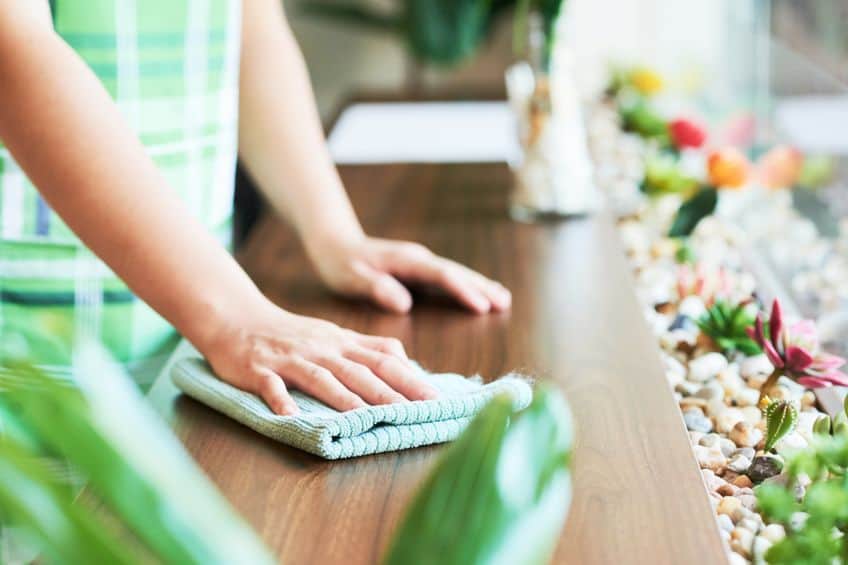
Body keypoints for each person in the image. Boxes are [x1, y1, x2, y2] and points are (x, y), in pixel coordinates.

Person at [0, 1, 511, 416]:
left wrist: (332, 233)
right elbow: (13, 52)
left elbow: (249, 25)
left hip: (185, 339)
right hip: (30, 353)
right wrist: (232, 316)